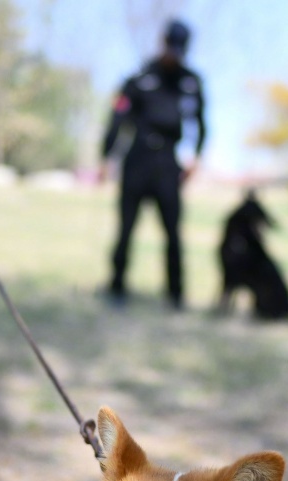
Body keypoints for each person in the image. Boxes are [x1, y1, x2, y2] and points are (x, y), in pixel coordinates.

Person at [101, 19, 206, 310]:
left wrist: (196, 157)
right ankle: (116, 286)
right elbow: (117, 119)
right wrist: (106, 156)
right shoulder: (139, 78)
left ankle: (175, 294)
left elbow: (201, 123)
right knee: (126, 228)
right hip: (138, 160)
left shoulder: (190, 82)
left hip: (168, 163)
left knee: (173, 232)